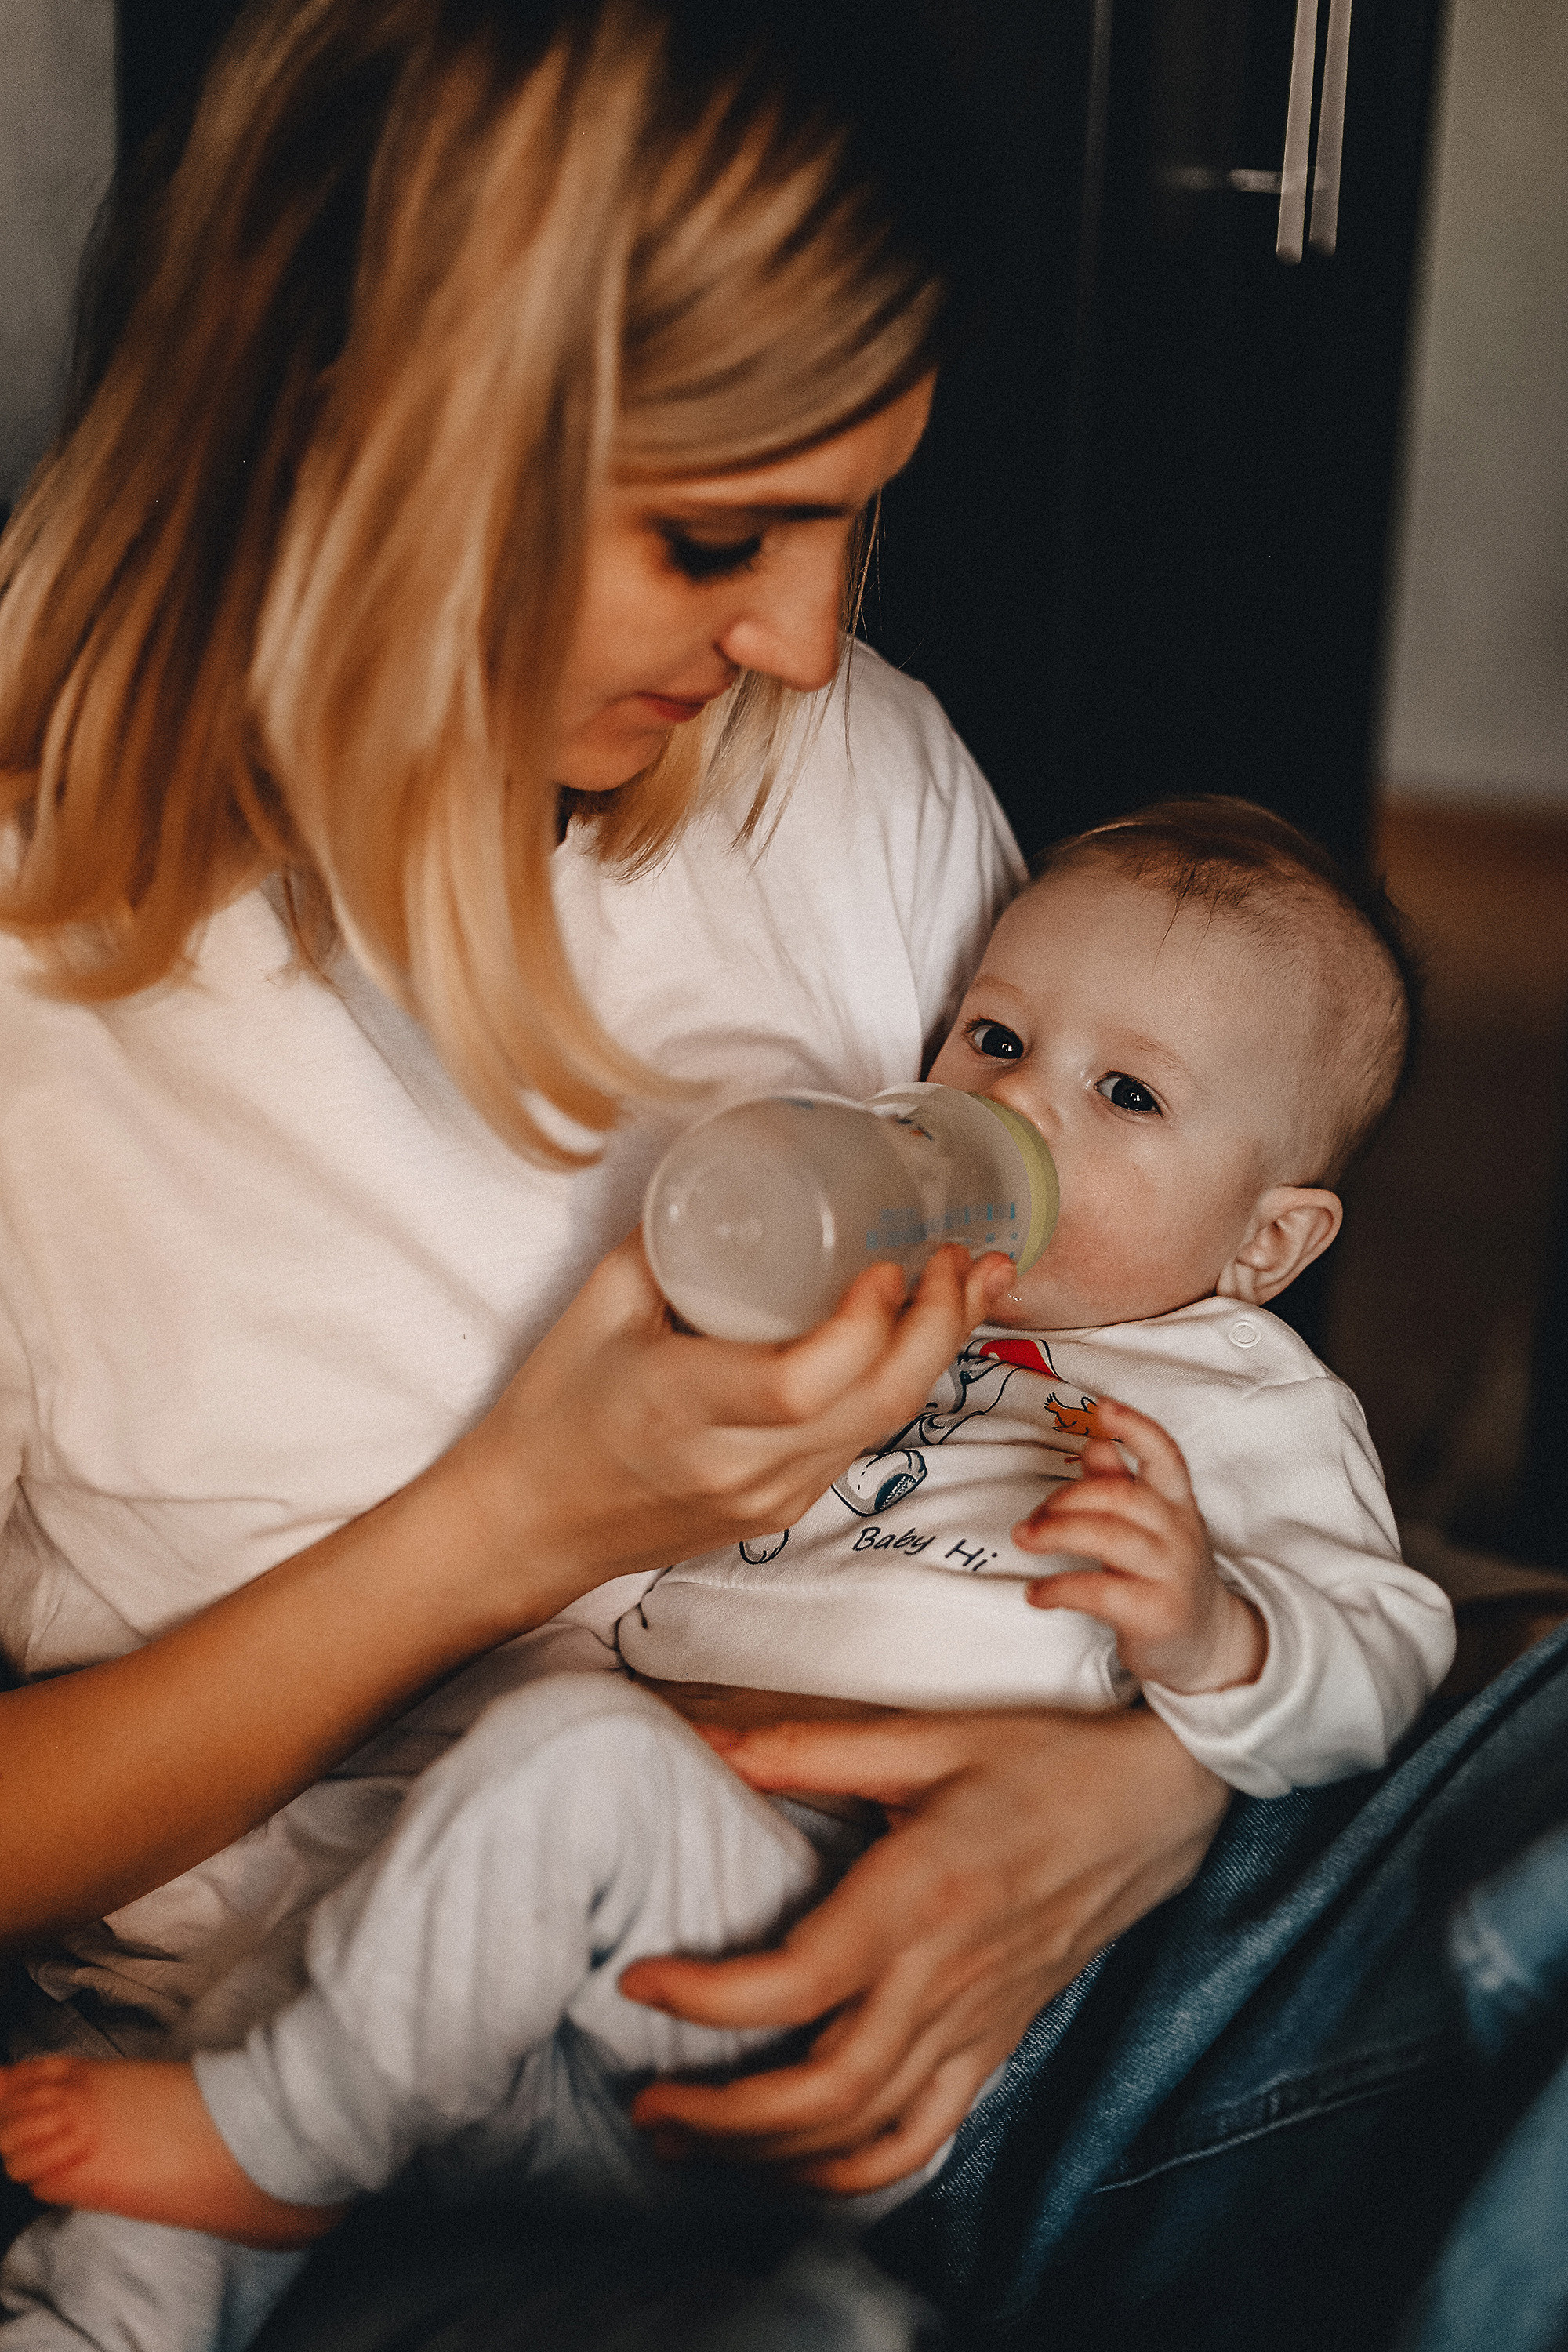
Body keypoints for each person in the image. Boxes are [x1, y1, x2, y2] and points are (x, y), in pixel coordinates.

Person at [0, 0, 1236, 2344]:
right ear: (370, 427)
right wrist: (518, 1527)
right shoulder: (41, 1000)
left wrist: (1146, 1793)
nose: (801, 633)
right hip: (390, 2114)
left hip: (1035, 1958)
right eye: (711, 536)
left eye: (851, 517)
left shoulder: (839, 776)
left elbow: (1168, 1367)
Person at [0, 800, 1456, 2349]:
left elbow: (1385, 1656)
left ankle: (278, 2140)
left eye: (1123, 1094)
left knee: (549, 1786)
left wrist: (1209, 1633)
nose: (1021, 1113)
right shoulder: (868, 1311)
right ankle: (98, 2321)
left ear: (1265, 1242)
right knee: (291, 1954)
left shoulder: (1238, 1396)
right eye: (995, 1039)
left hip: (844, 1976)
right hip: (586, 1978)